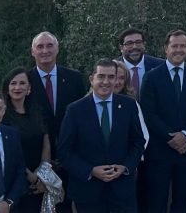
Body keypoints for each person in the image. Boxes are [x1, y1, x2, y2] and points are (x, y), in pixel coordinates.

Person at [57, 59, 146, 213]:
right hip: (88, 191)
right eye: (101, 76)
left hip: (122, 190)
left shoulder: (128, 106)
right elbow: (65, 152)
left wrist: (125, 167)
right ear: (92, 79)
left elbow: (138, 142)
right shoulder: (75, 110)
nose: (106, 82)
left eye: (111, 77)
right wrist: (90, 170)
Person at [139, 29, 186, 213]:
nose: (179, 50)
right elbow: (148, 114)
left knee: (182, 201)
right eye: (174, 46)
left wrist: (184, 135)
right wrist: (171, 138)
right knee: (157, 202)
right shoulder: (151, 77)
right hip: (160, 150)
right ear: (166, 49)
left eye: (182, 46)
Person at [27, 31, 87, 212]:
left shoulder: (74, 78)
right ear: (32, 52)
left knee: (66, 206)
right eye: (40, 46)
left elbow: (82, 118)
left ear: (57, 49)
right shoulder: (23, 81)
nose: (45, 50)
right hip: (35, 162)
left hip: (69, 157)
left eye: (49, 45)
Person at [0, 68, 52, 213]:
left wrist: (43, 176)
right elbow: (11, 155)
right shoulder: (3, 118)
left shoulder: (37, 111)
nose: (18, 87)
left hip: (41, 183)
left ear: (29, 88)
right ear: (7, 88)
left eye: (22, 83)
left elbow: (45, 141)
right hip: (17, 183)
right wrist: (33, 179)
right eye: (13, 83)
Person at [118, 28, 165, 101]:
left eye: (138, 42)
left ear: (144, 44)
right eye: (129, 43)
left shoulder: (161, 66)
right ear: (121, 48)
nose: (135, 46)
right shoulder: (112, 68)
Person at [112, 61, 150, 148]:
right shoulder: (87, 104)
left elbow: (143, 137)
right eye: (113, 77)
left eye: (121, 78)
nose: (117, 82)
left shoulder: (132, 104)